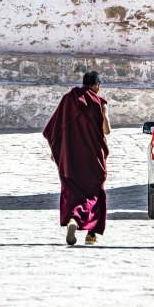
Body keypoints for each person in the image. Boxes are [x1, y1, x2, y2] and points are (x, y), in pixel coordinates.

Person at [43, 71, 111, 246]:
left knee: (73, 192)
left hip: (71, 157)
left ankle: (72, 220)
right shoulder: (99, 102)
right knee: (94, 192)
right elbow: (106, 130)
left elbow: (56, 128)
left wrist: (57, 149)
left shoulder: (67, 100)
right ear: (97, 85)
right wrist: (105, 112)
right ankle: (91, 234)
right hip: (92, 158)